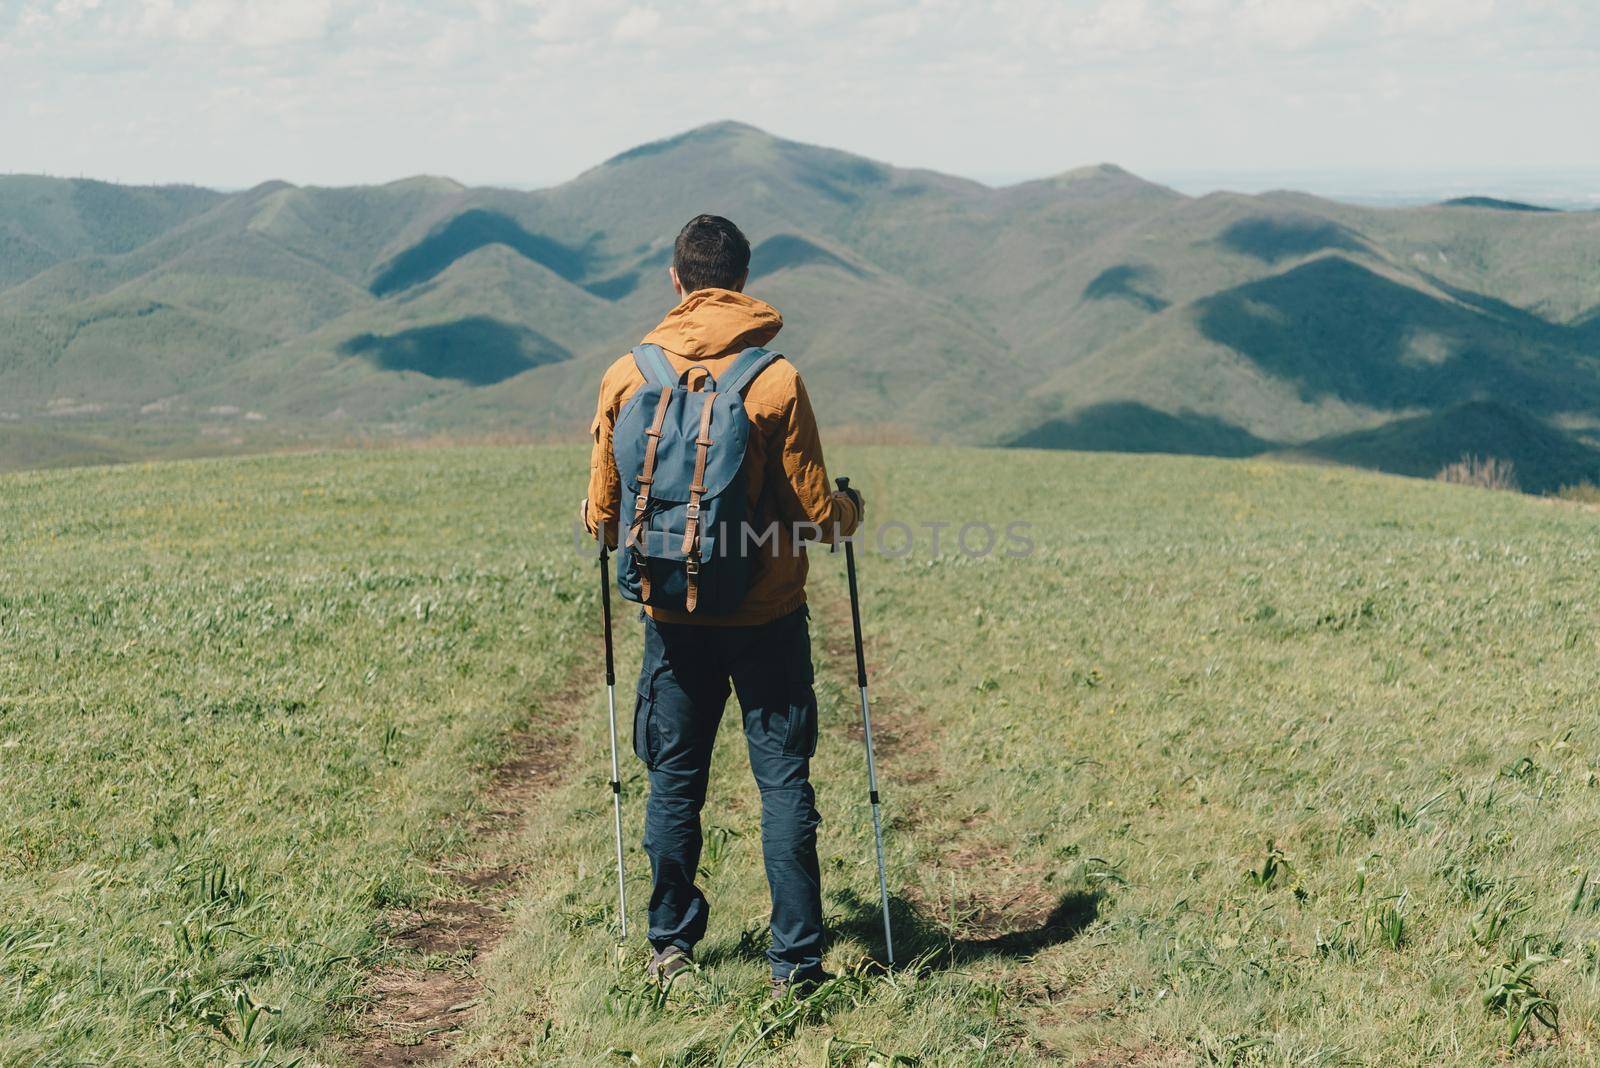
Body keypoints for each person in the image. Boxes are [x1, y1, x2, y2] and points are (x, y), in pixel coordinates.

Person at [581, 214, 862, 997]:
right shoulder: (777, 380)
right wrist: (850, 510)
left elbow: (604, 519)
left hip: (670, 619)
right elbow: (814, 515)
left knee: (675, 781)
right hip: (766, 616)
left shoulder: (626, 376)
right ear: (742, 281)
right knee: (783, 784)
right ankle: (797, 966)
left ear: (677, 281)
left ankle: (669, 945)